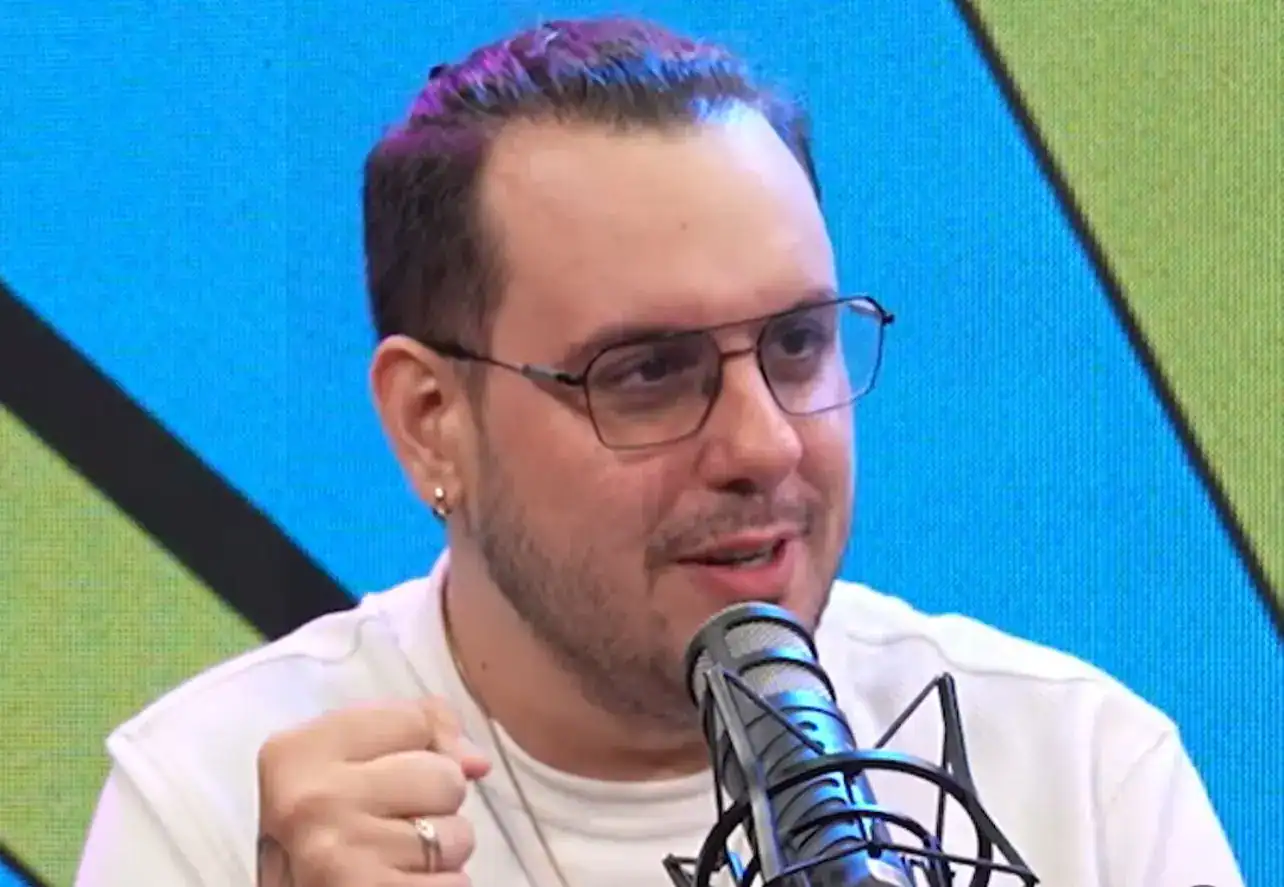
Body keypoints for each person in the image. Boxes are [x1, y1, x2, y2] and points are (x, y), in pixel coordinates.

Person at [73, 16, 1244, 887]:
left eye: (795, 343)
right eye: (645, 372)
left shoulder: (1081, 772)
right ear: (432, 419)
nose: (762, 441)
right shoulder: (216, 802)